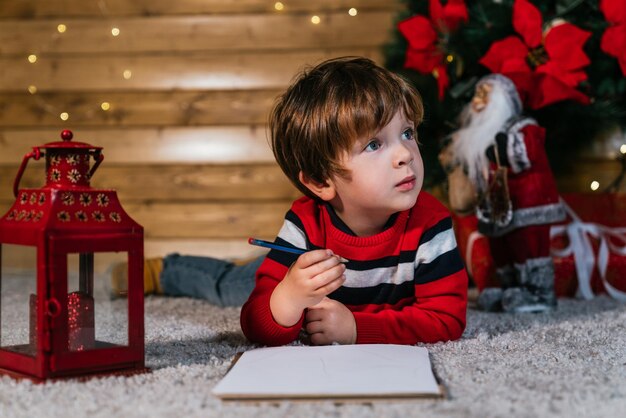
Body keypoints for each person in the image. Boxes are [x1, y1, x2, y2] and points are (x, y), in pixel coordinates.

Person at [239, 57, 468, 346]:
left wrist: (357, 329)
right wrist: (289, 297)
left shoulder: (430, 222)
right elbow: (255, 325)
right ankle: (172, 269)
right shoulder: (305, 224)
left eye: (407, 133)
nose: (406, 154)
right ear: (321, 182)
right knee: (226, 283)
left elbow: (447, 320)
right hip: (256, 271)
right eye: (374, 144)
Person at [443, 73, 565, 313]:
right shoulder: (483, 134)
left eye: (485, 94)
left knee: (528, 247)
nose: (478, 100)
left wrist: (499, 148)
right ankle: (510, 287)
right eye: (478, 94)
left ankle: (538, 292)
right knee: (502, 248)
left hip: (529, 203)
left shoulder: (524, 127)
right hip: (499, 206)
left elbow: (526, 153)